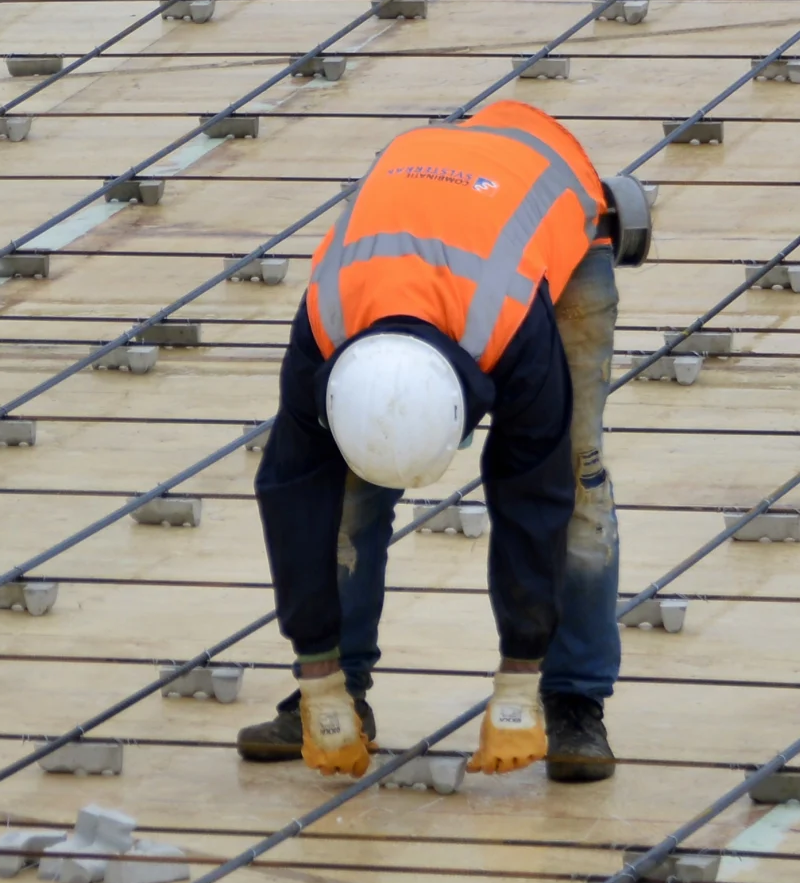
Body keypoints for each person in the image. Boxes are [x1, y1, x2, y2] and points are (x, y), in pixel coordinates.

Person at [234, 100, 647, 782]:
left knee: (573, 479)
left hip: (558, 223)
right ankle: (346, 692)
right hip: (424, 224)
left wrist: (517, 679)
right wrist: (318, 678)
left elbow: (530, 493)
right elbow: (294, 494)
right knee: (343, 497)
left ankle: (571, 700)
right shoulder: (326, 324)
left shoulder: (513, 328)